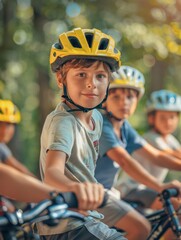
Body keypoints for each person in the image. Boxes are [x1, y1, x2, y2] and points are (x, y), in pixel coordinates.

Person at [37, 28, 126, 240]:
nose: (91, 83)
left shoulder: (96, 117)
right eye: (81, 75)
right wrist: (79, 189)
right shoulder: (63, 122)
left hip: (84, 216)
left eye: (100, 76)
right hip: (66, 224)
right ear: (61, 80)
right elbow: (52, 172)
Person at [95, 66, 181, 240]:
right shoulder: (102, 124)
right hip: (93, 197)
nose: (124, 102)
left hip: (109, 194)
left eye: (130, 96)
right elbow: (124, 161)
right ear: (104, 99)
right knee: (141, 228)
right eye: (116, 96)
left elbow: (156, 156)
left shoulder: (125, 127)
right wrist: (160, 186)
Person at [116, 89, 181, 208]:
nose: (168, 122)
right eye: (163, 118)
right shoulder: (150, 138)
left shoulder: (170, 139)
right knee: (176, 204)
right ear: (152, 119)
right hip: (131, 190)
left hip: (151, 189)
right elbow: (167, 155)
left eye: (172, 117)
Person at [0, 99, 35, 177]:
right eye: (0, 124)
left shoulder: (2, 148)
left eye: (9, 124)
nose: (4, 130)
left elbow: (20, 170)